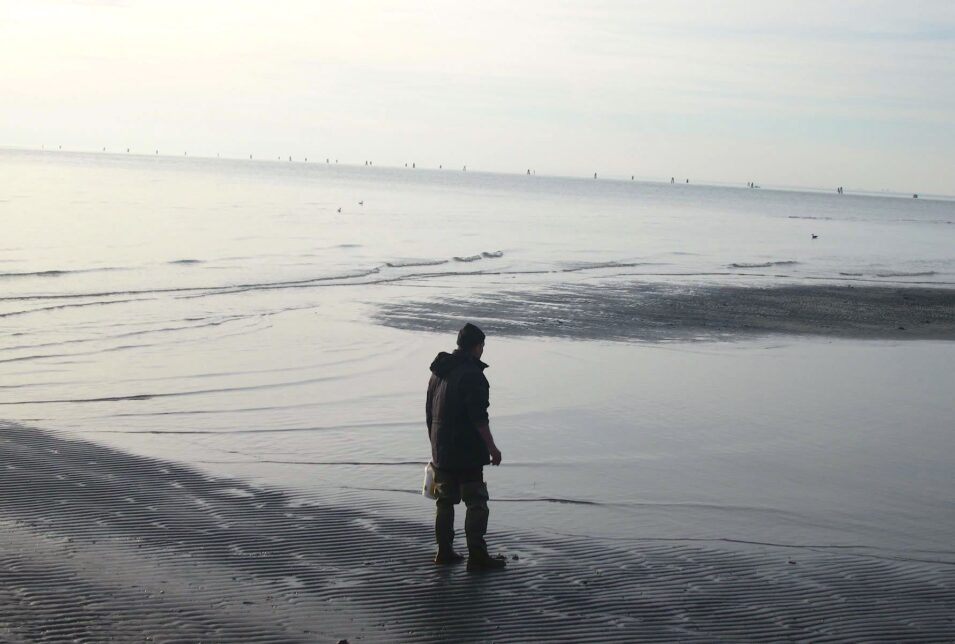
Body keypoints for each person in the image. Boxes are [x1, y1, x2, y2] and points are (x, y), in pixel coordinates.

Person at [426, 322, 506, 571]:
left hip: (442, 447)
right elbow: (478, 417)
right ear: (477, 346)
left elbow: (429, 411)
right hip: (466, 450)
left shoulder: (439, 371)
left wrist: (434, 443)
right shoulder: (472, 374)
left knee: (445, 501)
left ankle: (444, 551)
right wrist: (492, 447)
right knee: (476, 500)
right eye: (482, 346)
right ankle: (477, 555)